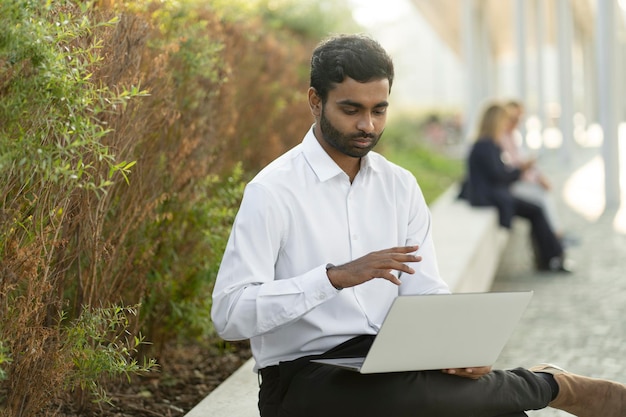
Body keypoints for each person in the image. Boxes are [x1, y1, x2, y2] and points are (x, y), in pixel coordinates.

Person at [211, 34, 626, 417]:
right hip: (304, 377)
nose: (368, 126)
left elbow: (426, 290)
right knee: (396, 398)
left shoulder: (399, 186)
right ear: (315, 101)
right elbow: (229, 315)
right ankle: (550, 386)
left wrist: (458, 350)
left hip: (396, 365)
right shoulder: (273, 191)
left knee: (496, 412)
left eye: (379, 109)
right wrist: (333, 278)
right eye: (351, 109)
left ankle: (533, 388)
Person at [462, 103, 569, 272]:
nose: (506, 125)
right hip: (489, 197)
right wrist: (521, 170)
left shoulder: (487, 144)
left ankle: (550, 256)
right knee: (536, 209)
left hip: (492, 194)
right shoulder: (486, 145)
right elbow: (499, 176)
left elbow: (498, 175)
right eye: (504, 121)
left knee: (536, 209)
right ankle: (552, 256)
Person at [500, 100, 564, 239]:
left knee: (542, 195)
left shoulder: (512, 136)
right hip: (510, 185)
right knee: (540, 199)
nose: (517, 122)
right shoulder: (501, 138)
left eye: (519, 118)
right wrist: (532, 174)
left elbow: (521, 163)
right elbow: (511, 169)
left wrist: (538, 177)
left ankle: (555, 236)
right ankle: (554, 236)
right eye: (514, 118)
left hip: (519, 181)